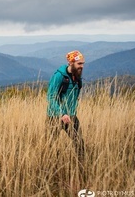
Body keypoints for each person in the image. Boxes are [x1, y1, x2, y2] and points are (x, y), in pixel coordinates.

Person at [46, 50, 86, 179]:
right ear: (70, 62)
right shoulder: (59, 76)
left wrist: (71, 113)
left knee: (79, 145)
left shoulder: (77, 77)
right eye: (79, 63)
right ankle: (49, 173)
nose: (82, 66)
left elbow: (75, 97)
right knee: (51, 147)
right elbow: (51, 97)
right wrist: (61, 113)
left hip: (71, 117)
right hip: (54, 117)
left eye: (83, 63)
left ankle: (82, 172)